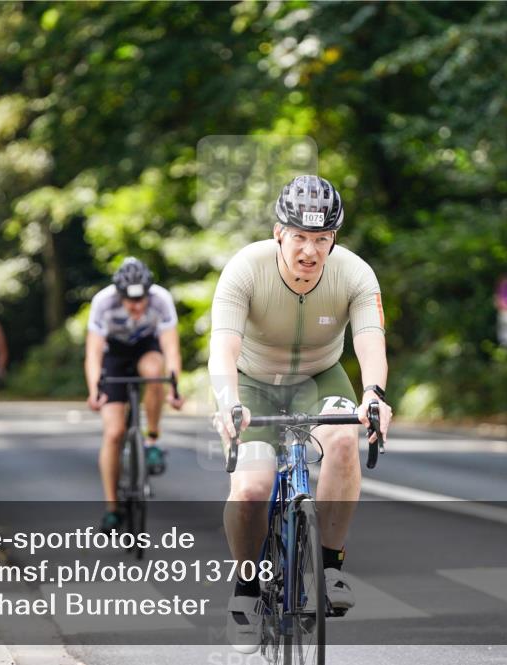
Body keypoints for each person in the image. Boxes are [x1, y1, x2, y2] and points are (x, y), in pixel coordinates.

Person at [208, 175, 393, 653]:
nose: (310, 251)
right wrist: (228, 401)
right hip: (253, 384)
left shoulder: (355, 274)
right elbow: (222, 348)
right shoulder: (244, 269)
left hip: (319, 379)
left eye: (322, 239)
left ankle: (329, 564)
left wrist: (373, 394)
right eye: (300, 238)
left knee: (344, 437)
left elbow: (370, 341)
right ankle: (246, 594)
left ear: (333, 239)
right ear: (278, 233)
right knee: (251, 486)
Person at [85, 257, 185, 533]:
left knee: (155, 371)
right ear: (119, 295)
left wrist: (174, 389)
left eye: (141, 300)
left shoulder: (161, 300)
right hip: (113, 356)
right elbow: (93, 353)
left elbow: (171, 350)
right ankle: (112, 508)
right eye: (130, 302)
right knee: (114, 432)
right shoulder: (102, 302)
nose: (137, 307)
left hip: (145, 348)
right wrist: (95, 390)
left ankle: (152, 441)